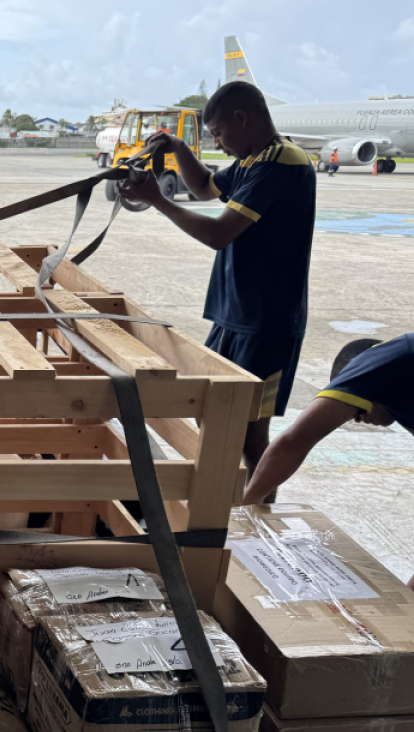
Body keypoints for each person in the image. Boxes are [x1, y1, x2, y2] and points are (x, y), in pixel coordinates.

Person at [117, 81, 316, 498]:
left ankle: (260, 513)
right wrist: (175, 148)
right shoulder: (253, 159)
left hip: (267, 323)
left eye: (219, 133)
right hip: (235, 315)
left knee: (249, 432)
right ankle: (239, 505)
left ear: (243, 119)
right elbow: (205, 187)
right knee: (214, 413)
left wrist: (158, 200)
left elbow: (220, 233)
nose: (219, 144)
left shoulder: (281, 163)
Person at [240, 333, 414, 639]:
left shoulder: (376, 359)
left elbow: (293, 442)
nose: (357, 420)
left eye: (354, 409)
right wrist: (402, 608)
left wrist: (243, 511)